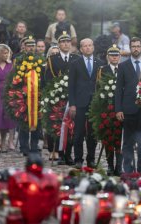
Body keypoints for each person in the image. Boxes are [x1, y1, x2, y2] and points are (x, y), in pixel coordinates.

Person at [68, 38, 104, 168]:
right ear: (81, 49)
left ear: (93, 47)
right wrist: (72, 104)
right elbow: (71, 86)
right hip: (79, 103)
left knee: (93, 133)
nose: (88, 48)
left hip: (94, 104)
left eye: (90, 45)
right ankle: (78, 159)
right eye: (85, 46)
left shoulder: (100, 63)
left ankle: (91, 159)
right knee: (78, 132)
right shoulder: (75, 63)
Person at [115, 37, 141, 174]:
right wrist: (118, 109)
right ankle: (127, 169)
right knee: (128, 142)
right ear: (130, 48)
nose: (136, 48)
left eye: (138, 46)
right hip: (128, 110)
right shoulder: (123, 66)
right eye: (133, 46)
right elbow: (118, 89)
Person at [45, 32, 78, 165]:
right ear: (58, 45)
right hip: (57, 98)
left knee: (71, 127)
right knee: (57, 126)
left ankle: (68, 154)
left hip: (72, 98)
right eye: (63, 42)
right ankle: (58, 153)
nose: (66, 44)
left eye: (68, 42)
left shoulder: (76, 58)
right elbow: (48, 79)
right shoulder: (52, 59)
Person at [96, 45, 122, 175]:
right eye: (112, 55)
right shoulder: (103, 70)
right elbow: (98, 91)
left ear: (120, 56)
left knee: (120, 139)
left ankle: (119, 166)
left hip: (121, 110)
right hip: (107, 110)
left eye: (116, 55)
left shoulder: (124, 69)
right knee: (108, 138)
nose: (114, 57)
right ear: (108, 57)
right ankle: (110, 165)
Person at [16, 37, 43, 156]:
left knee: (37, 122)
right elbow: (14, 77)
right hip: (23, 95)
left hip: (37, 95)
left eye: (33, 45)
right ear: (24, 47)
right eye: (29, 45)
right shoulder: (18, 60)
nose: (31, 47)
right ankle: (24, 146)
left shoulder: (40, 60)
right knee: (23, 122)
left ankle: (34, 145)